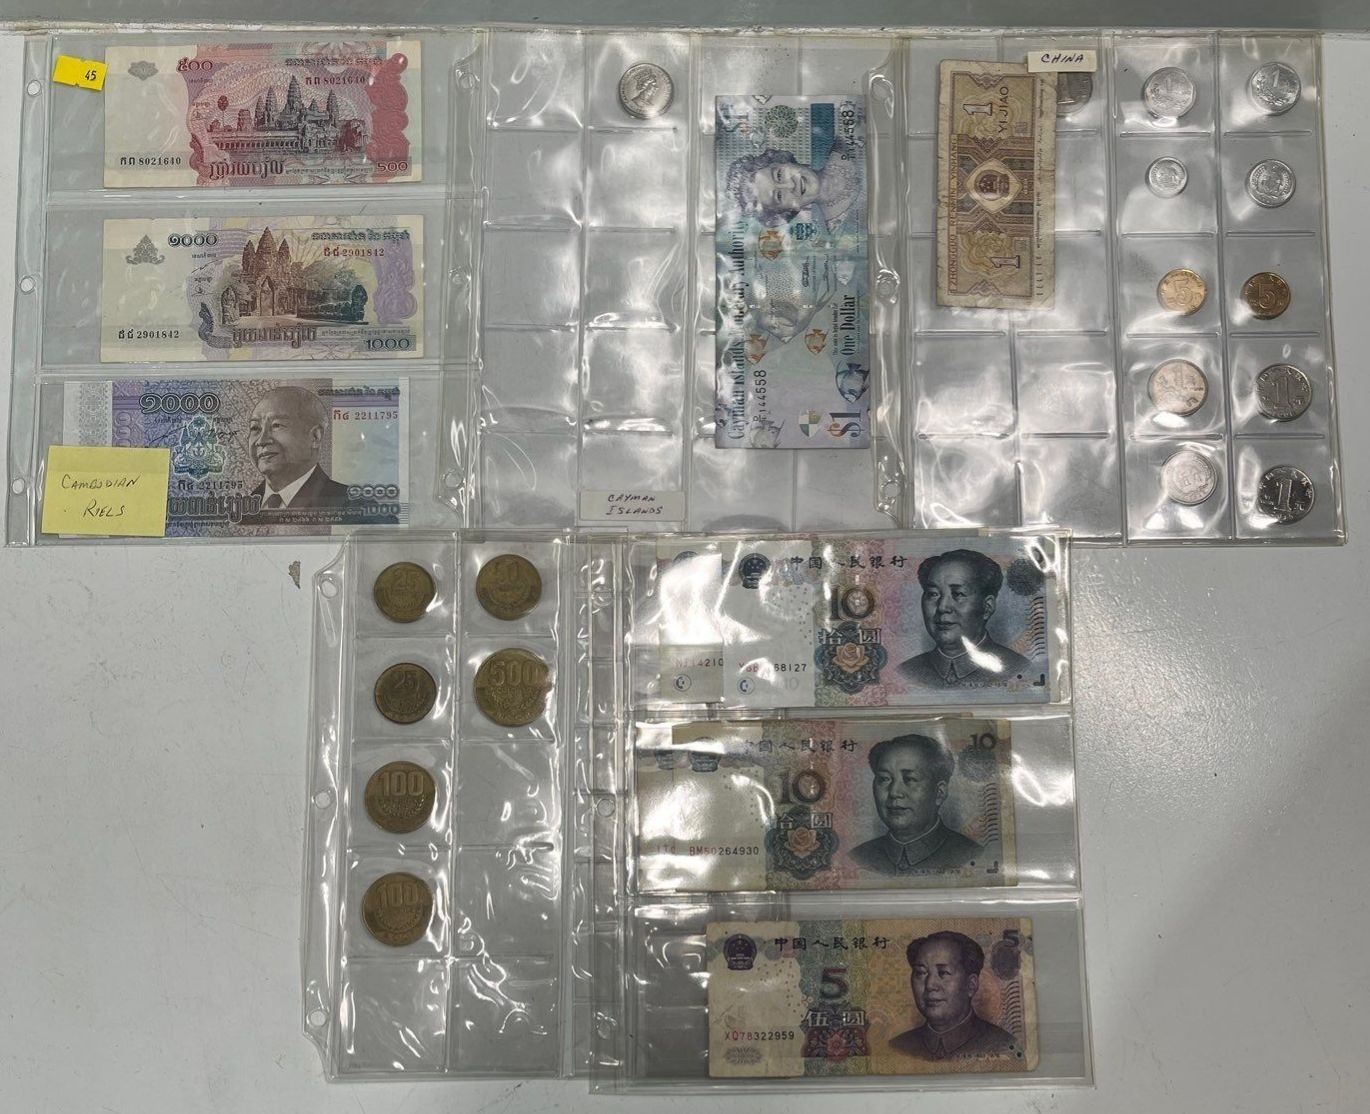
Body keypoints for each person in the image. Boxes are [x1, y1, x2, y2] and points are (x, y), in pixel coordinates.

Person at [898, 549, 1034, 688]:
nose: (942, 607)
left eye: (958, 594)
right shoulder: (906, 671)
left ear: (987, 607)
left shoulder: (1018, 668)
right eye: (933, 594)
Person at [848, 735, 981, 875]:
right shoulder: (859, 856)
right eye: (884, 779)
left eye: (910, 779)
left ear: (939, 793)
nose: (894, 792)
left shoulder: (970, 855)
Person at [889, 931, 1017, 1061]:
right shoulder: (897, 1048)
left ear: (971, 985)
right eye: (921, 973)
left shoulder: (1005, 1047)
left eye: (943, 973)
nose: (930, 985)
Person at [245, 386, 349, 513]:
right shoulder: (240, 510)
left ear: (315, 437)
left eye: (276, 425)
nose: (261, 441)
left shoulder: (350, 505)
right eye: (255, 428)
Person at [724, 143, 863, 229]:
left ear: (784, 161)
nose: (790, 185)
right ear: (787, 210)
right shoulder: (841, 230)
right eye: (779, 196)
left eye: (779, 175)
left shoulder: (842, 142)